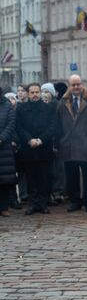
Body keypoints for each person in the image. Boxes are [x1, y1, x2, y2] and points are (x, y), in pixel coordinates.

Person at [56, 74, 87, 212]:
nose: (76, 87)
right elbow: (58, 124)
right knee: (71, 176)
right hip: (69, 146)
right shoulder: (63, 102)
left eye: (78, 84)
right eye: (73, 85)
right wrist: (60, 141)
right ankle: (74, 201)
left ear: (82, 84)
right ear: (69, 86)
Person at [15, 83, 56, 215]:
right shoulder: (21, 108)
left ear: (40, 92)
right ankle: (32, 204)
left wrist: (41, 139)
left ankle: (43, 203)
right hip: (28, 148)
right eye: (32, 92)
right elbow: (19, 127)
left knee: (44, 177)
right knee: (30, 178)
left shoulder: (48, 108)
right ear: (28, 93)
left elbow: (52, 126)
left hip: (44, 147)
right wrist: (29, 139)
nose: (35, 95)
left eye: (37, 92)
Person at [0, 87, 17, 217]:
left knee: (4, 180)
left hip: (3, 147)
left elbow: (11, 123)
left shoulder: (7, 105)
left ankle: (4, 207)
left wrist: (2, 138)